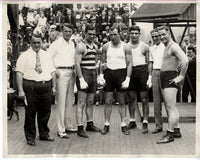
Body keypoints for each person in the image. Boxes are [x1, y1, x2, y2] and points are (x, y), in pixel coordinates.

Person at [16, 33, 56, 146]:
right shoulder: (24, 56)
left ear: (42, 42)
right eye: (34, 42)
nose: (37, 45)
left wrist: (54, 86)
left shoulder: (47, 55)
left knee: (45, 112)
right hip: (31, 87)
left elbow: (52, 72)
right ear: (30, 43)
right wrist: (20, 90)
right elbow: (19, 74)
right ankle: (30, 137)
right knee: (30, 113)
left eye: (39, 42)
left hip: (46, 87)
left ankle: (44, 134)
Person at [156, 26, 189, 144]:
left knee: (170, 108)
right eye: (159, 35)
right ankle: (177, 130)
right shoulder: (167, 46)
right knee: (173, 107)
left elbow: (185, 60)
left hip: (170, 77)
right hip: (166, 76)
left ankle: (170, 134)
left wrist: (181, 76)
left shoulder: (173, 46)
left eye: (163, 34)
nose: (161, 37)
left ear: (169, 33)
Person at [101, 26, 132, 135]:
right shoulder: (105, 46)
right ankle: (106, 124)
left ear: (120, 34)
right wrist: (101, 75)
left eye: (115, 34)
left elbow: (129, 64)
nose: (113, 37)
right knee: (108, 101)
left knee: (122, 101)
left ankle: (123, 125)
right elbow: (102, 62)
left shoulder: (126, 47)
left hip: (121, 73)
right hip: (109, 74)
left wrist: (127, 78)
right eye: (111, 35)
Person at [49, 23, 77, 139]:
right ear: (62, 31)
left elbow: (73, 58)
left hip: (71, 73)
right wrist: (55, 70)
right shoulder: (55, 44)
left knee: (70, 101)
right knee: (61, 103)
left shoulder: (72, 44)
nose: (68, 33)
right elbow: (48, 58)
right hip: (60, 73)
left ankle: (68, 125)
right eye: (66, 31)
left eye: (70, 31)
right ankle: (61, 129)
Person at [75, 24, 101, 138]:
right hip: (84, 74)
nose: (91, 36)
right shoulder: (81, 46)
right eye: (89, 34)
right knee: (81, 102)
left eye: (93, 34)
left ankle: (89, 124)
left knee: (90, 102)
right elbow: (77, 63)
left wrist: (99, 75)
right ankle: (80, 127)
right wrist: (81, 78)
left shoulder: (95, 46)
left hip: (93, 74)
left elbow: (96, 62)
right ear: (84, 33)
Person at [127, 25, 150, 134]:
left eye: (136, 33)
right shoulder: (126, 46)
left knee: (144, 99)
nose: (134, 35)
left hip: (142, 72)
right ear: (129, 34)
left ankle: (145, 122)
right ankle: (132, 121)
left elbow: (149, 62)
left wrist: (149, 76)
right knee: (131, 99)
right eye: (132, 33)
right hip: (130, 73)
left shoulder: (144, 46)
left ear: (139, 34)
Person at [149, 29, 165, 134]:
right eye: (153, 36)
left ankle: (173, 127)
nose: (155, 38)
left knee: (168, 101)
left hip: (165, 73)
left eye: (156, 36)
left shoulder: (166, 46)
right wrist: (149, 77)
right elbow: (151, 62)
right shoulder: (151, 48)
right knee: (156, 101)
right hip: (155, 73)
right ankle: (158, 125)